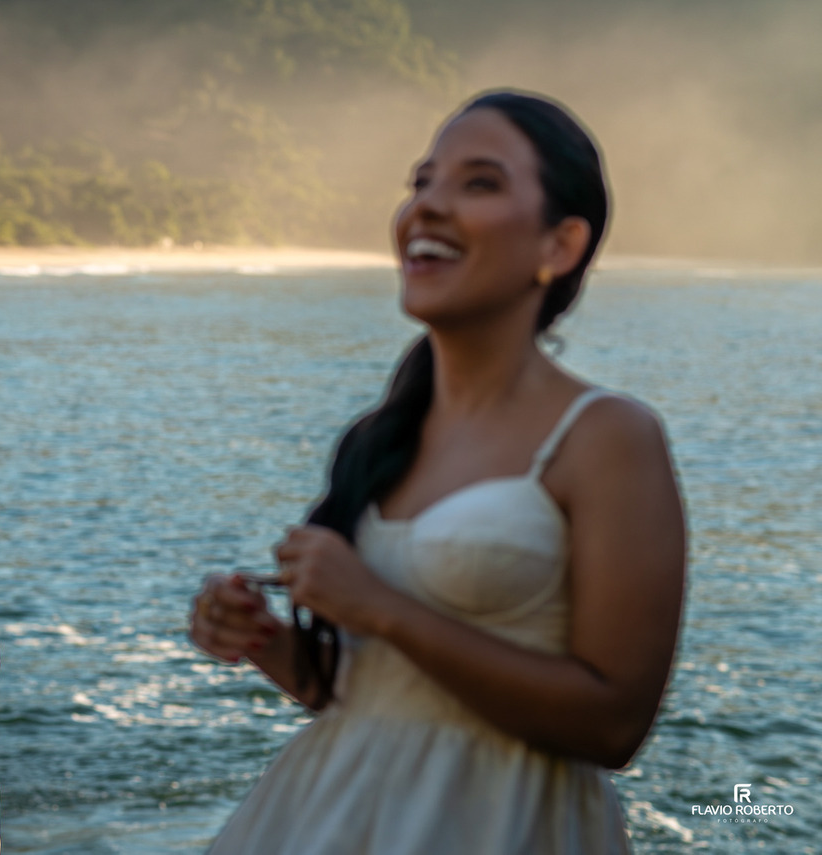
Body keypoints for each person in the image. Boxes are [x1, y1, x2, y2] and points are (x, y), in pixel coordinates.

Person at [189, 90, 686, 853]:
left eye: (478, 183)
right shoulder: (380, 437)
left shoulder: (606, 436)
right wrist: (263, 638)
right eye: (421, 183)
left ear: (561, 244)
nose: (428, 206)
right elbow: (359, 691)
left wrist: (379, 605)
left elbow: (614, 723)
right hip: (328, 813)